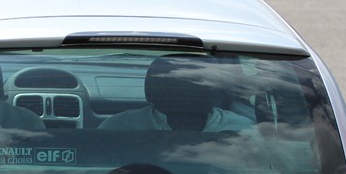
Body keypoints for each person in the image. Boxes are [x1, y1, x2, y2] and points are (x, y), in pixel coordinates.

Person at [99, 55, 258, 135]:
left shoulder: (244, 130)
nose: (187, 93)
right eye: (177, 85)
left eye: (196, 85)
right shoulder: (119, 129)